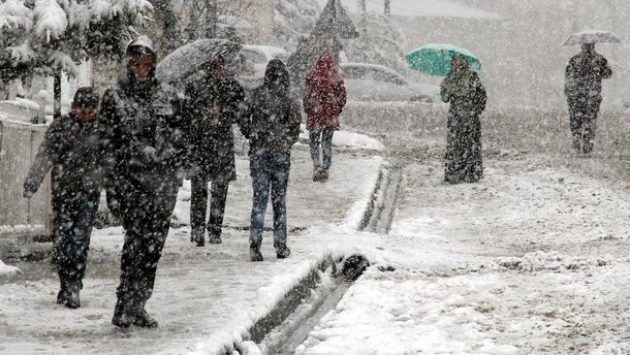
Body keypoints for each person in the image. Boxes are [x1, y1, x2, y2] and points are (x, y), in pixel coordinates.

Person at [99, 36, 188, 328]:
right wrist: (112, 186)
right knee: (135, 244)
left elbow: (182, 137)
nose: (140, 69)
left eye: (146, 64)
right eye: (135, 64)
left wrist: (172, 161)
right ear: (128, 64)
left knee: (154, 248)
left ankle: (140, 303)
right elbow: (107, 145)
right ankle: (124, 302)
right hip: (131, 183)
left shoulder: (169, 96)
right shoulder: (115, 97)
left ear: (153, 65)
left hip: (162, 185)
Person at [22, 87, 104, 309]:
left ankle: (74, 284)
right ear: (74, 108)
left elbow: (111, 161)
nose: (86, 115)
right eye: (82, 110)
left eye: (90, 111)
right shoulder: (61, 128)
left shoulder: (102, 130)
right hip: (64, 193)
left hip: (89, 193)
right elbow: (45, 155)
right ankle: (65, 282)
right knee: (63, 242)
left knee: (80, 241)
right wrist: (33, 181)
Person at [242, 59, 301, 262]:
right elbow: (295, 124)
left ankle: (255, 244)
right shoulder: (288, 97)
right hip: (280, 154)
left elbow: (242, 116)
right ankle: (280, 244)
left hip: (259, 152)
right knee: (279, 201)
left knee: (259, 201)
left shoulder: (256, 94)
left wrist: (252, 133)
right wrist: (285, 140)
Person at [184, 55, 247, 247]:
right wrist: (202, 116)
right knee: (199, 190)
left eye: (219, 66)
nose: (216, 70)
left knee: (220, 190)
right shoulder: (194, 86)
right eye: (212, 66)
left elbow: (240, 111)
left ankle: (214, 230)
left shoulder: (232, 87)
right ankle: (197, 231)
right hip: (200, 144)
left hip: (221, 144)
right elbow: (186, 114)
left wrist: (222, 114)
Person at [440, 54, 487, 184]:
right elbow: (444, 99)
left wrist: (475, 109)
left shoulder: (472, 76)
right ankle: (454, 175)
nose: (457, 66)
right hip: (455, 117)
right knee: (455, 145)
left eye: (460, 63)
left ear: (465, 64)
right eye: (455, 63)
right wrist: (444, 88)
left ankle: (471, 175)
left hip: (470, 116)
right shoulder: (449, 78)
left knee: (470, 144)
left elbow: (481, 95)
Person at [303, 51, 347, 182]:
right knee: (326, 142)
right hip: (329, 117)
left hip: (315, 116)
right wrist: (336, 109)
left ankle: (316, 163)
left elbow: (306, 97)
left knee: (314, 142)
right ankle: (326, 166)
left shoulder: (312, 77)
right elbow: (342, 97)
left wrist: (309, 110)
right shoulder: (335, 77)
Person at [565, 43, 613, 154]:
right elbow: (568, 76)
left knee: (590, 121)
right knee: (575, 121)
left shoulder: (600, 59)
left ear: (593, 46)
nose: (587, 48)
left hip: (593, 96)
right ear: (581, 46)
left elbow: (608, 74)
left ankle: (587, 146)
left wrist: (598, 69)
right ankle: (576, 144)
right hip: (576, 96)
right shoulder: (574, 60)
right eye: (585, 45)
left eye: (589, 45)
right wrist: (569, 93)